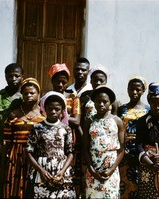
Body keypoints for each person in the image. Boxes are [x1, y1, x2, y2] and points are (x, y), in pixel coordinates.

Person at [25, 91, 76, 198]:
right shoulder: (37, 128)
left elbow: (70, 152)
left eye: (57, 109)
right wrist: (41, 170)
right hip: (42, 169)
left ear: (62, 111)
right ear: (44, 109)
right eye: (50, 108)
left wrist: (62, 171)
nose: (53, 111)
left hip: (61, 170)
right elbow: (29, 152)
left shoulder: (66, 128)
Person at [3, 77, 45, 198]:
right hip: (16, 156)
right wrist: (4, 162)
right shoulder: (13, 115)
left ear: (38, 94)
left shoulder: (43, 115)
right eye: (25, 93)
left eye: (32, 93)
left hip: (36, 156)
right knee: (15, 188)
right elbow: (6, 140)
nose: (28, 95)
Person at [0, 63, 24, 197]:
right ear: (5, 78)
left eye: (17, 76)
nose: (13, 79)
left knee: (20, 182)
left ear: (22, 77)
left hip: (21, 147)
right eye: (10, 76)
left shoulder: (26, 96)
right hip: (3, 148)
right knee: (2, 182)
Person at [82, 85, 125, 198]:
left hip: (111, 170)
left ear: (110, 103)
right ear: (94, 103)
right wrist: (91, 170)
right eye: (98, 101)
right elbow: (85, 148)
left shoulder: (117, 121)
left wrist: (111, 170)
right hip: (93, 169)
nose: (101, 104)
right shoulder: (89, 121)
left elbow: (121, 149)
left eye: (104, 102)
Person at [48, 63, 83, 197]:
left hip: (69, 137)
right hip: (51, 138)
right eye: (58, 81)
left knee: (69, 167)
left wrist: (57, 117)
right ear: (52, 81)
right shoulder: (47, 97)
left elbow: (77, 120)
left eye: (64, 81)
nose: (61, 84)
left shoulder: (73, 97)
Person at [117, 76, 150, 199]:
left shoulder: (148, 110)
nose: (134, 92)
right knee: (125, 183)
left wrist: (143, 153)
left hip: (142, 152)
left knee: (141, 183)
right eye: (131, 89)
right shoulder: (121, 109)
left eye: (138, 89)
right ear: (127, 89)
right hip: (124, 152)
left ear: (143, 91)